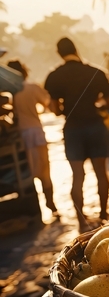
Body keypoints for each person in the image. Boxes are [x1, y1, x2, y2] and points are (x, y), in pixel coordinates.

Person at [44, 38, 109, 232]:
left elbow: (54, 109)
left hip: (73, 128)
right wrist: (98, 105)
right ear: (76, 49)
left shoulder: (54, 76)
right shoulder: (96, 73)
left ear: (59, 53)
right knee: (101, 173)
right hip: (95, 125)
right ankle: (103, 216)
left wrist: (65, 108)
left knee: (77, 176)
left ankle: (82, 222)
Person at [7, 60, 58, 216]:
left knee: (28, 171)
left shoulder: (10, 92)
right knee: (45, 171)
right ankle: (51, 205)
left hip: (20, 135)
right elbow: (48, 104)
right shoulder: (31, 88)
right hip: (36, 132)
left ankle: (39, 208)